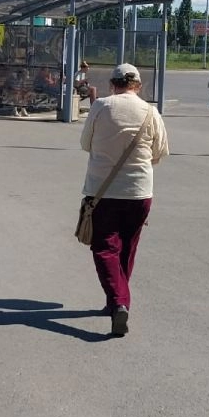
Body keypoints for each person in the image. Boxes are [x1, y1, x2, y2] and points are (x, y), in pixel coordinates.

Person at [79, 63, 170, 337]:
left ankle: (118, 301)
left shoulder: (101, 107)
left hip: (102, 192)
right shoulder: (150, 111)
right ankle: (118, 300)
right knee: (128, 246)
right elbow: (161, 151)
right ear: (138, 86)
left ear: (112, 84)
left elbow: (85, 143)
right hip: (140, 192)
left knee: (105, 248)